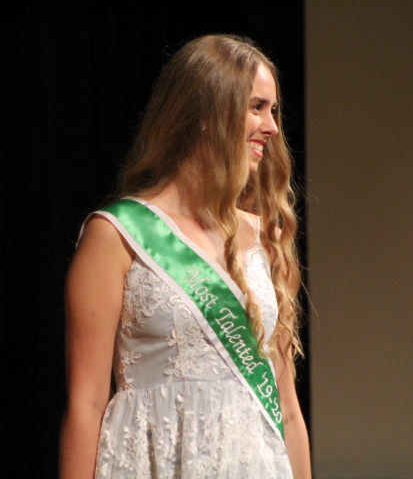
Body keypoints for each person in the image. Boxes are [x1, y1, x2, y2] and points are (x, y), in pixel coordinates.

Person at [60, 34, 311, 479]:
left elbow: (287, 409)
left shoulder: (266, 236)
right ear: (207, 114)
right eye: (256, 107)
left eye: (273, 110)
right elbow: (86, 404)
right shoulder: (117, 235)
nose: (272, 127)